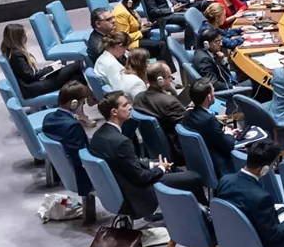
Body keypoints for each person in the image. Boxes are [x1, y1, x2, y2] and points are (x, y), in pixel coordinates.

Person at [88, 91, 207, 220]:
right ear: (114, 112)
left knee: (171, 168)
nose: (130, 107)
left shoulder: (98, 135)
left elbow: (124, 163)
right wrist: (160, 169)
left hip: (121, 183)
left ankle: (185, 212)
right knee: (194, 177)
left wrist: (153, 164)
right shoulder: (122, 142)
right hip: (137, 192)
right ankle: (206, 216)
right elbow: (141, 177)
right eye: (125, 105)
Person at [0, 23, 90, 106]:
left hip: (32, 84)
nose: (26, 37)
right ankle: (85, 98)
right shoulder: (16, 55)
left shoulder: (10, 52)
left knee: (74, 77)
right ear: (18, 38)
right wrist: (51, 68)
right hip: (32, 87)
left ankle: (80, 101)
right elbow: (31, 75)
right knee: (74, 68)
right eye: (24, 35)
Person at [182, 79, 239, 179]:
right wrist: (229, 133)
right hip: (219, 164)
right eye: (213, 91)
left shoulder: (188, 114)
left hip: (199, 161)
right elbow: (229, 145)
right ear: (209, 97)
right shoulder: (210, 120)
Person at [41, 82, 94, 190]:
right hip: (83, 177)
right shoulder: (73, 127)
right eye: (83, 103)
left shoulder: (48, 118)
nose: (83, 106)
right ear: (74, 104)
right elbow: (81, 159)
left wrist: (74, 117)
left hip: (62, 171)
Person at [133, 62, 187, 152]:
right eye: (170, 77)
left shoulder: (138, 98)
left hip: (154, 147)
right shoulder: (169, 102)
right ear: (160, 80)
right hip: (176, 149)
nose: (172, 80)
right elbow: (187, 125)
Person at [112, 0, 172, 64]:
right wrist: (140, 32)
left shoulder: (127, 7)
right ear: (130, 2)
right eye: (137, 3)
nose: (138, 6)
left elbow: (134, 22)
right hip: (129, 44)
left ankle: (161, 68)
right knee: (161, 45)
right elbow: (123, 38)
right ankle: (163, 71)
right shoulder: (121, 14)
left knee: (162, 38)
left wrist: (144, 25)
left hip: (136, 37)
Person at [94, 31, 146, 98]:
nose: (125, 51)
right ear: (120, 46)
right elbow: (120, 89)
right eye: (125, 48)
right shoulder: (111, 64)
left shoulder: (102, 58)